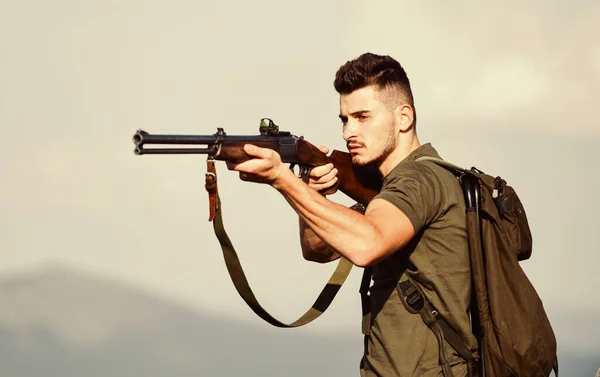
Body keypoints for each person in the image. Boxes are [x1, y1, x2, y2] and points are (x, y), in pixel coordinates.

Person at [226, 52, 478, 377]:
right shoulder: (390, 188)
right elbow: (318, 249)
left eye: (362, 117)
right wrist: (311, 191)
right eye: (345, 119)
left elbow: (366, 246)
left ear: (404, 118)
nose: (348, 133)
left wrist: (282, 179)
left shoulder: (418, 180)